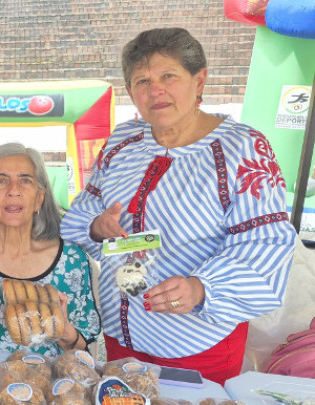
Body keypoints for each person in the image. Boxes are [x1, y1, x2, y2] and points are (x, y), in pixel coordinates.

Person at [61, 28, 295, 384]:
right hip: (121, 334)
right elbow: (86, 208)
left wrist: (201, 287)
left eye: (168, 76)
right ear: (131, 93)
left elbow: (266, 243)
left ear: (199, 81)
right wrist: (97, 226)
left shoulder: (243, 149)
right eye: (142, 81)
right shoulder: (122, 141)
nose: (156, 90)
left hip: (197, 341)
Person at [0, 143, 100, 356]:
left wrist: (62, 328)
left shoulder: (72, 260)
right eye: (1, 180)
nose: (14, 190)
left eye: (25, 180)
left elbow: (84, 351)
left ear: (40, 198)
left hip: (53, 376)